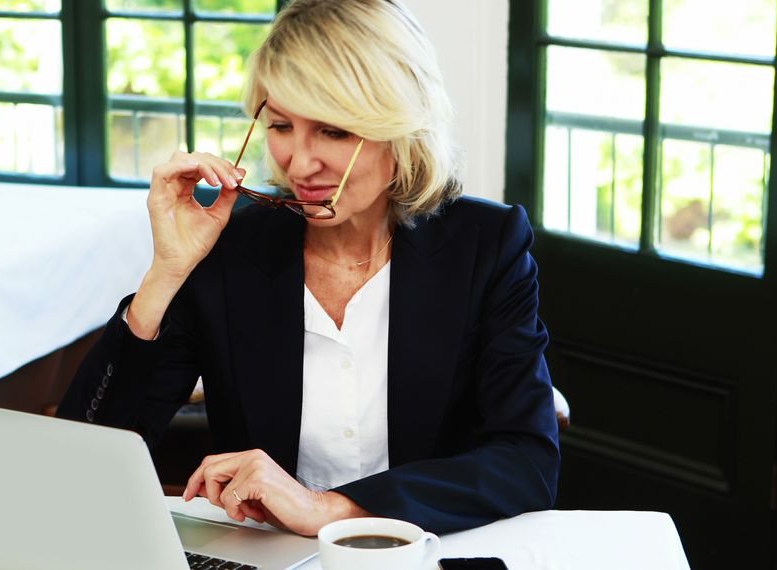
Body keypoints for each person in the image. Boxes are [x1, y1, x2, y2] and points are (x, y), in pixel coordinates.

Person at [57, 0, 559, 537]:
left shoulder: (485, 245)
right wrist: (166, 273)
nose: (299, 163)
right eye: (280, 125)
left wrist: (327, 508)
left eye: (334, 131)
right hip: (270, 556)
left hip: (425, 550)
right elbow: (80, 460)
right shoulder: (229, 246)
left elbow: (526, 463)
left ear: (400, 127)